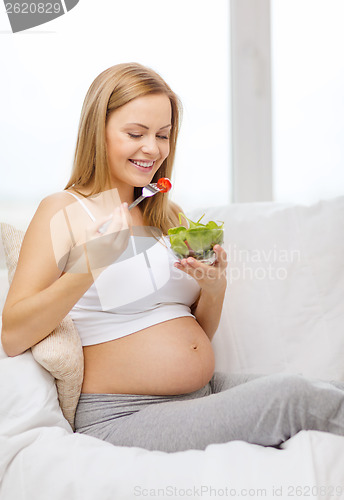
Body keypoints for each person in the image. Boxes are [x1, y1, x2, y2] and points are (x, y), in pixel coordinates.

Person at [2, 62, 344, 453]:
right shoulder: (63, 210)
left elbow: (198, 331)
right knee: (294, 397)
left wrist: (214, 290)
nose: (153, 149)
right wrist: (93, 262)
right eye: (136, 133)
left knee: (325, 389)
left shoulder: (168, 214)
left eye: (162, 135)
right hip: (124, 415)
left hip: (201, 393)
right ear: (98, 130)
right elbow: (14, 334)